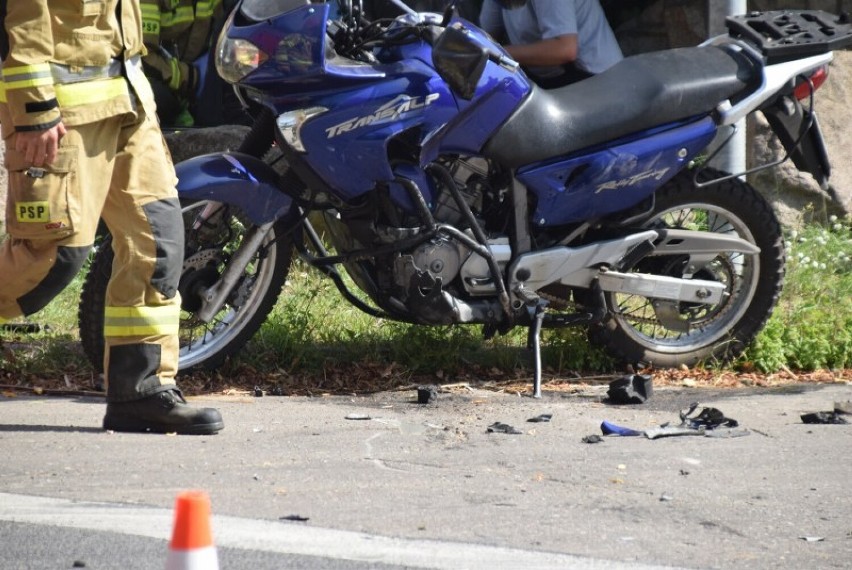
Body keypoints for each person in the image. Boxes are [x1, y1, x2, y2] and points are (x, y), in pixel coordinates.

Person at [0, 0, 224, 434]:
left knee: (158, 243)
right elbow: (19, 17)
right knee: (49, 258)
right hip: (61, 114)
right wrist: (33, 111)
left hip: (129, 102)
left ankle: (140, 390)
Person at [141, 0, 248, 127]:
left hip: (196, 82)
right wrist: (191, 76)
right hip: (154, 80)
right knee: (155, 97)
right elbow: (142, 56)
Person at [478, 0, 622, 88]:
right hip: (551, 82)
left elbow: (565, 49)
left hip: (597, 81)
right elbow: (482, 35)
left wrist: (499, 53)